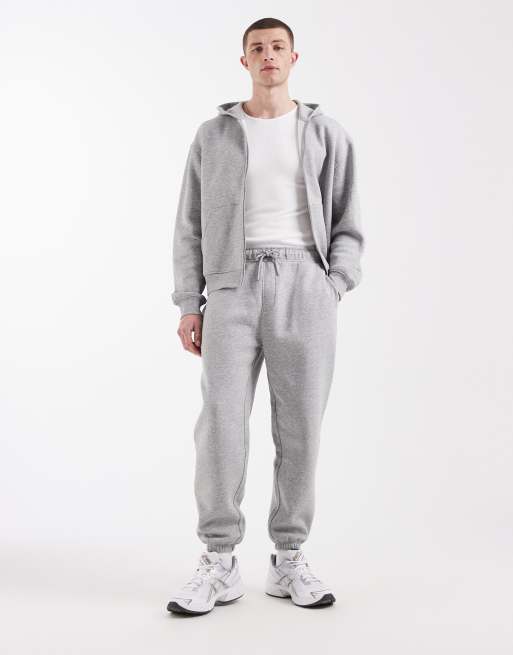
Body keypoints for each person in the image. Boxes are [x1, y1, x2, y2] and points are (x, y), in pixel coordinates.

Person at [167, 17, 364, 615]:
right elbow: (189, 224)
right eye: (258, 48)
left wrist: (334, 282)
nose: (268, 55)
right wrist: (190, 301)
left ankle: (289, 557)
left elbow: (348, 219)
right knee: (221, 424)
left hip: (306, 283)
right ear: (245, 61)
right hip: (232, 286)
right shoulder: (214, 135)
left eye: (278, 46)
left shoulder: (326, 133)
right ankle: (219, 560)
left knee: (301, 427)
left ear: (293, 58)